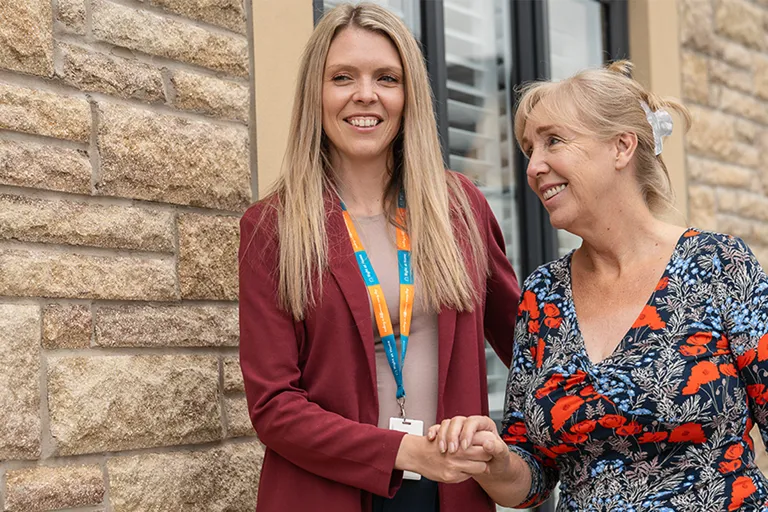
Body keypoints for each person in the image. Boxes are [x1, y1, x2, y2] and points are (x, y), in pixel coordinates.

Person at [429, 60, 768, 510]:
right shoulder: (543, 295)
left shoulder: (719, 265)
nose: (533, 167)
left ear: (621, 147)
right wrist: (496, 461)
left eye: (553, 140)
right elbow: (531, 479)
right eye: (529, 149)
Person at [237, 3, 521, 511]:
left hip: (452, 493)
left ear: (409, 95)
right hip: (325, 496)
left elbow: (531, 350)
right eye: (342, 77)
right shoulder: (273, 228)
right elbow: (273, 406)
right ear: (316, 93)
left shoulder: (461, 208)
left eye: (386, 78)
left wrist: (516, 454)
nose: (365, 94)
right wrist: (406, 451)